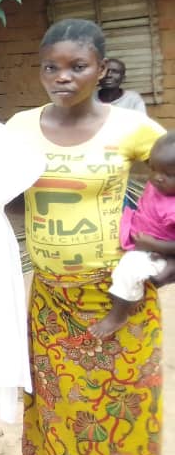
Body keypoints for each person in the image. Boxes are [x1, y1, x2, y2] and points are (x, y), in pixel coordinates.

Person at [6, 19, 165, 455]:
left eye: (76, 66)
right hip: (49, 299)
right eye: (51, 66)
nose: (62, 77)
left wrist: (165, 261)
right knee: (53, 418)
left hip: (117, 298)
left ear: (101, 69)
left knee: (121, 424)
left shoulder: (132, 128)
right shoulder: (21, 128)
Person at [90, 130, 175, 340]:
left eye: (167, 174)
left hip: (157, 248)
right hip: (144, 233)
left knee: (127, 271)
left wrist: (154, 245)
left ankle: (118, 315)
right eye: (152, 169)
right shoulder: (161, 185)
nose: (156, 177)